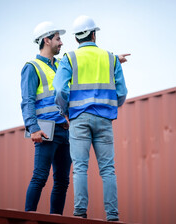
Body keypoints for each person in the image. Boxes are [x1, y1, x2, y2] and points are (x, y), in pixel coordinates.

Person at [53, 15, 128, 221]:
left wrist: (65, 110)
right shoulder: (111, 58)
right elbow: (122, 92)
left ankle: (80, 213)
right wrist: (111, 107)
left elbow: (59, 89)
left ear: (76, 38)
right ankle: (112, 216)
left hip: (78, 118)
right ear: (94, 34)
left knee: (79, 168)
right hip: (104, 119)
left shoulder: (69, 58)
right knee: (107, 170)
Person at [20, 21, 72, 214]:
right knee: (40, 177)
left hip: (65, 131)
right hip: (45, 130)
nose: (61, 43)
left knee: (62, 181)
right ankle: (28, 216)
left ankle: (56, 219)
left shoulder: (61, 65)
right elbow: (27, 100)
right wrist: (32, 128)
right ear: (46, 40)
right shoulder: (31, 67)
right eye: (58, 38)